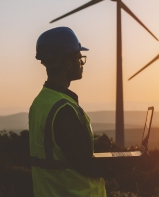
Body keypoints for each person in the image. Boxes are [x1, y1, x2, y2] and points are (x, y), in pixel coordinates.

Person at [29, 27, 107, 196]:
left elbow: (60, 153)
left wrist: (94, 144)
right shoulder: (64, 109)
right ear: (68, 63)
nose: (82, 63)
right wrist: (130, 163)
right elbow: (85, 165)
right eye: (79, 58)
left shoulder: (40, 103)